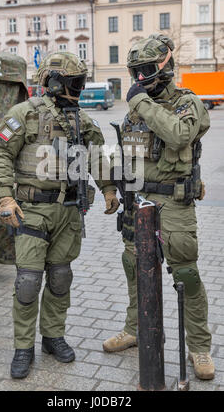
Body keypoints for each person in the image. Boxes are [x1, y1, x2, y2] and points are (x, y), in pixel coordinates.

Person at [0, 52, 119, 379]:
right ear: (56, 82)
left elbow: (96, 158)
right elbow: (1, 153)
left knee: (60, 278)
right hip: (31, 210)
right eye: (74, 83)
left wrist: (107, 189)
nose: (78, 89)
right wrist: (6, 197)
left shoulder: (81, 121)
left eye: (80, 82)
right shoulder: (24, 114)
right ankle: (23, 347)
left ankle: (53, 337)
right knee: (28, 282)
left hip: (69, 211)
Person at [103, 34, 215, 381]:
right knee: (134, 267)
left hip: (174, 203)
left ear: (165, 67)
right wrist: (111, 186)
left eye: (147, 70)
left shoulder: (188, 103)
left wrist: (141, 104)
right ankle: (136, 329)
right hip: (137, 200)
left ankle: (198, 347)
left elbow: (179, 135)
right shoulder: (136, 111)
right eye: (135, 72)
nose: (139, 79)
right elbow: (122, 154)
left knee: (185, 275)